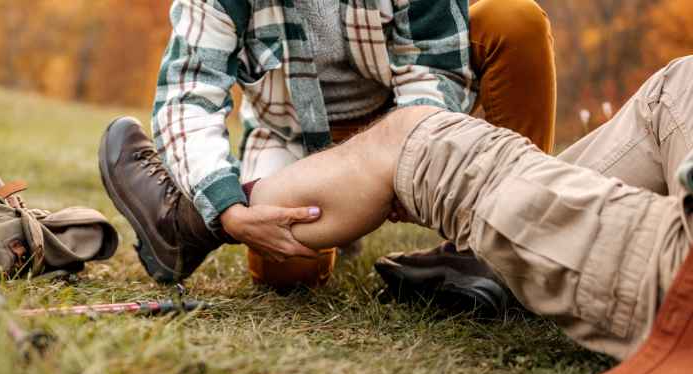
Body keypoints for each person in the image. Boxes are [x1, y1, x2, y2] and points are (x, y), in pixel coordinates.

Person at [103, 55, 693, 360]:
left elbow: (434, 77)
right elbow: (190, 86)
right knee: (681, 83)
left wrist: (403, 171)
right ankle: (492, 262)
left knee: (411, 136)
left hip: (678, 265)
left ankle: (185, 224)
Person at [103, 0, 557, 309]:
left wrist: (407, 162)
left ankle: (500, 242)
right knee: (288, 273)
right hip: (293, 134)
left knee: (513, 17)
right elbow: (188, 95)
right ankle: (184, 222)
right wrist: (224, 206)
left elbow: (433, 70)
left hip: (400, 113)